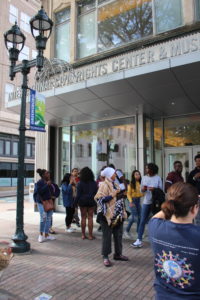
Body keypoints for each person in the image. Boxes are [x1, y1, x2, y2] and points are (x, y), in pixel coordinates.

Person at [148, 182, 200, 300]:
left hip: (162, 296)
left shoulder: (154, 227)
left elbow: (157, 216)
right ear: (194, 208)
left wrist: (173, 203)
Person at [95, 167, 128, 267]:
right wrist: (114, 194)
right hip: (106, 215)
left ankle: (118, 254)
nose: (115, 175)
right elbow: (99, 199)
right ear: (109, 175)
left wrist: (122, 195)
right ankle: (105, 257)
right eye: (114, 173)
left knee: (118, 234)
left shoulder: (116, 184)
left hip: (117, 213)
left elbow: (119, 194)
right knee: (107, 237)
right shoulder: (104, 185)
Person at [132, 163, 162, 248]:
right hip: (146, 201)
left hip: (155, 202)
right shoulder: (144, 178)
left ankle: (157, 240)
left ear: (152, 169)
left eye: (147, 168)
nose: (146, 170)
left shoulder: (158, 178)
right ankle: (139, 240)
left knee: (157, 221)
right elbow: (141, 191)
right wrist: (143, 189)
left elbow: (161, 190)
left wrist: (154, 189)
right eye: (146, 168)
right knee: (142, 220)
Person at [34, 168, 60, 243]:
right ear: (43, 175)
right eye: (47, 173)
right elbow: (39, 192)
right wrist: (46, 185)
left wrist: (55, 196)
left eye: (49, 173)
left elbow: (56, 190)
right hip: (41, 203)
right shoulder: (39, 182)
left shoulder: (51, 183)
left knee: (49, 218)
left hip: (49, 202)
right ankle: (40, 235)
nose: (49, 174)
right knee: (43, 218)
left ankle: (47, 235)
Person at [75, 167, 98, 240]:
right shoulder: (94, 183)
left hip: (82, 201)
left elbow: (78, 195)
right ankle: (90, 235)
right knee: (90, 218)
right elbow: (96, 193)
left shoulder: (79, 183)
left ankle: (83, 235)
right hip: (91, 201)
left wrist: (75, 203)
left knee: (83, 217)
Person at [124, 170, 143, 239]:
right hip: (132, 201)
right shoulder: (131, 184)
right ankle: (127, 231)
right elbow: (128, 194)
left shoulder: (140, 183)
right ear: (133, 176)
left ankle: (138, 232)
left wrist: (144, 191)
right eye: (136, 174)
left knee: (139, 217)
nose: (138, 175)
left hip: (138, 201)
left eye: (139, 174)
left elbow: (141, 194)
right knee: (136, 217)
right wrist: (131, 202)